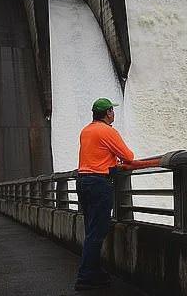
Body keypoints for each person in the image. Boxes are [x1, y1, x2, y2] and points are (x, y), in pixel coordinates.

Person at [74, 97, 135, 291]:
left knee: (91, 230)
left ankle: (95, 272)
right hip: (98, 183)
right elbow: (129, 157)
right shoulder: (107, 131)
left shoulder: (86, 131)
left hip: (82, 181)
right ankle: (85, 277)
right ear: (108, 113)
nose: (114, 113)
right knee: (97, 232)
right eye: (112, 111)